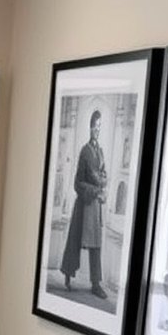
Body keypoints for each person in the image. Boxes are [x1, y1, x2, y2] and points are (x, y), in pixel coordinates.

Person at [60, 109, 108, 298]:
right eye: (95, 126)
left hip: (95, 207)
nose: (97, 130)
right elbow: (77, 183)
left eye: (99, 127)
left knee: (96, 245)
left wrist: (102, 182)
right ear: (89, 127)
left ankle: (96, 284)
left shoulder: (100, 151)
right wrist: (96, 190)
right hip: (84, 205)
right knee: (74, 242)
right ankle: (67, 275)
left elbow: (104, 175)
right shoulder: (84, 151)